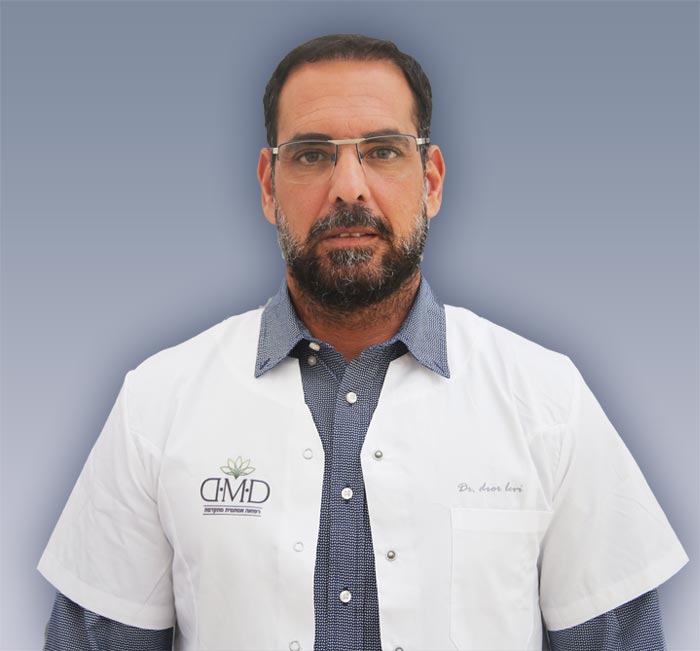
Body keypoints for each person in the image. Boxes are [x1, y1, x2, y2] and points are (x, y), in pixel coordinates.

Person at [39, 34, 688, 651]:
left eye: (382, 150)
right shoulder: (158, 402)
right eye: (312, 154)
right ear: (268, 184)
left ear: (430, 179)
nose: (349, 186)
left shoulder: (547, 400)